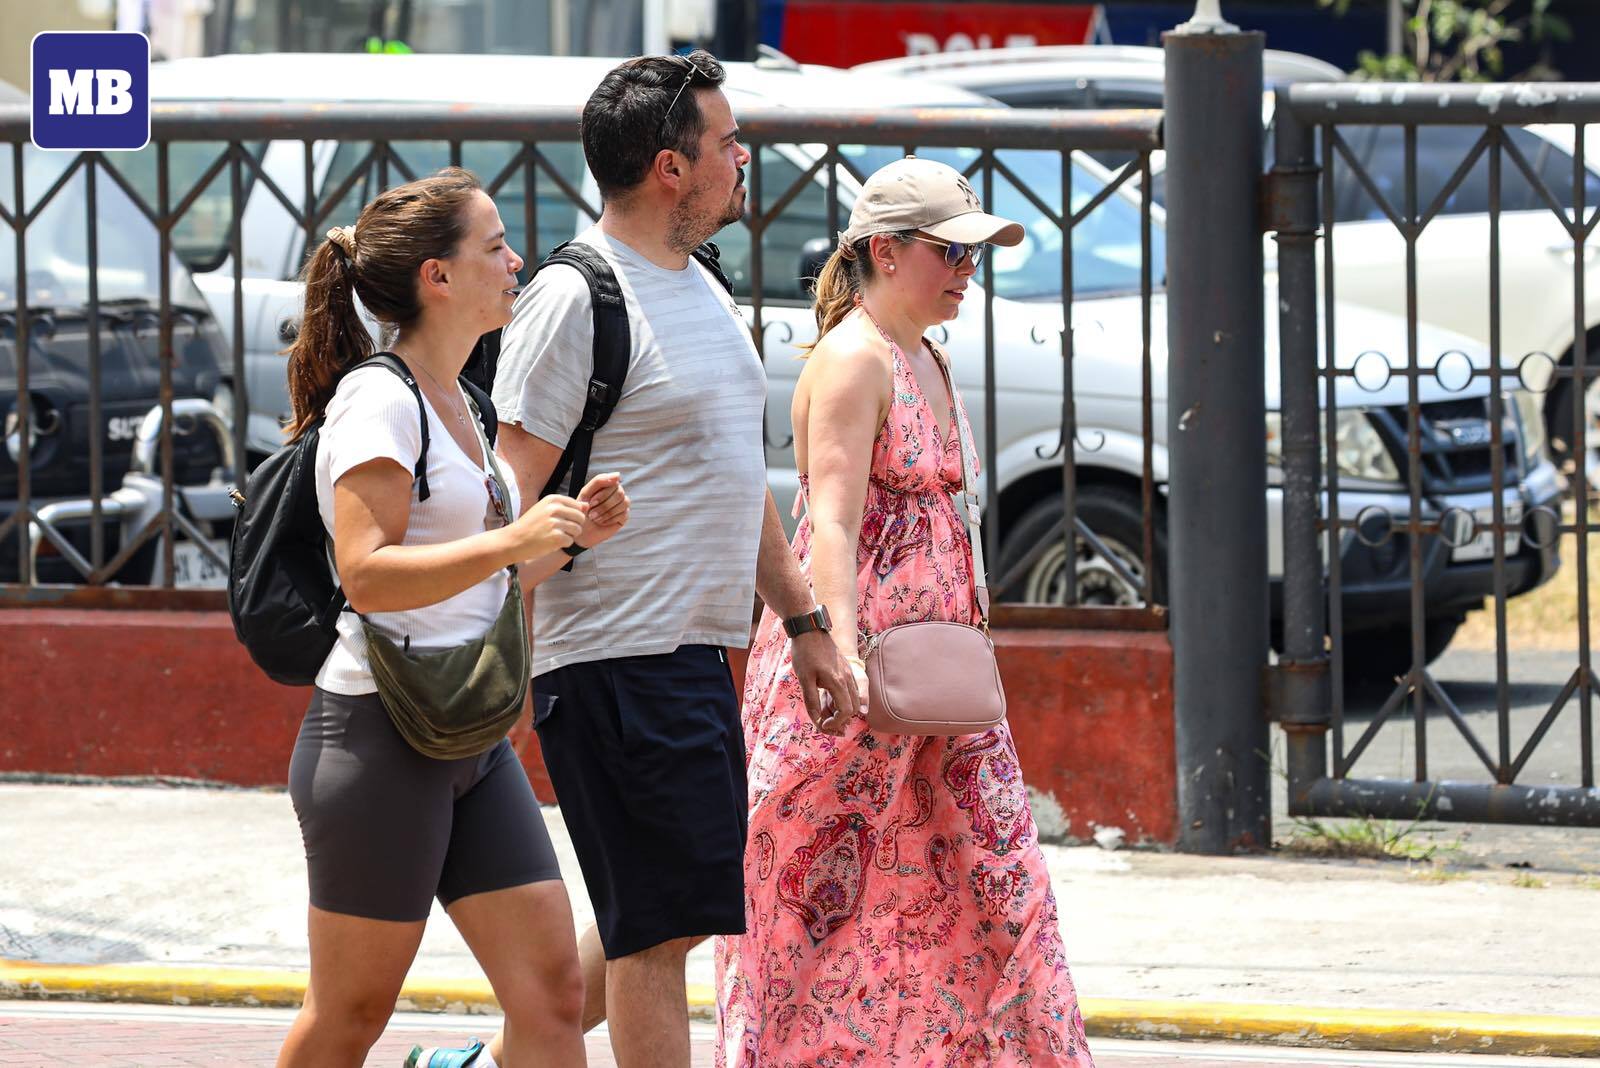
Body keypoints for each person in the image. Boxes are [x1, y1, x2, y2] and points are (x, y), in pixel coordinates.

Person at [417, 51, 858, 1068]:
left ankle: (498, 1059)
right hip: (611, 661)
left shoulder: (695, 283)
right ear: (671, 166)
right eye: (728, 143)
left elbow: (728, 475)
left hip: (691, 657)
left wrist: (800, 626)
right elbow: (506, 496)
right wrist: (554, 545)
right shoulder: (578, 299)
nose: (743, 159)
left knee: (668, 914)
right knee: (656, 936)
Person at [713, 157, 1096, 1066]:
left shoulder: (927, 353)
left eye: (975, 256)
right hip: (856, 687)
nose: (968, 273)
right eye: (949, 254)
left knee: (996, 889)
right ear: (885, 251)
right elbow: (832, 528)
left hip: (942, 691)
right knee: (808, 905)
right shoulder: (854, 359)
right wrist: (836, 654)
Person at [275, 167, 630, 1068]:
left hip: (468, 739)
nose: (516, 261)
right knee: (350, 1015)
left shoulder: (467, 406)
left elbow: (486, 582)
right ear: (437, 277)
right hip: (378, 735)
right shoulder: (379, 399)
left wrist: (573, 536)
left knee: (553, 996)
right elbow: (369, 575)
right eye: (495, 246)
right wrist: (513, 542)